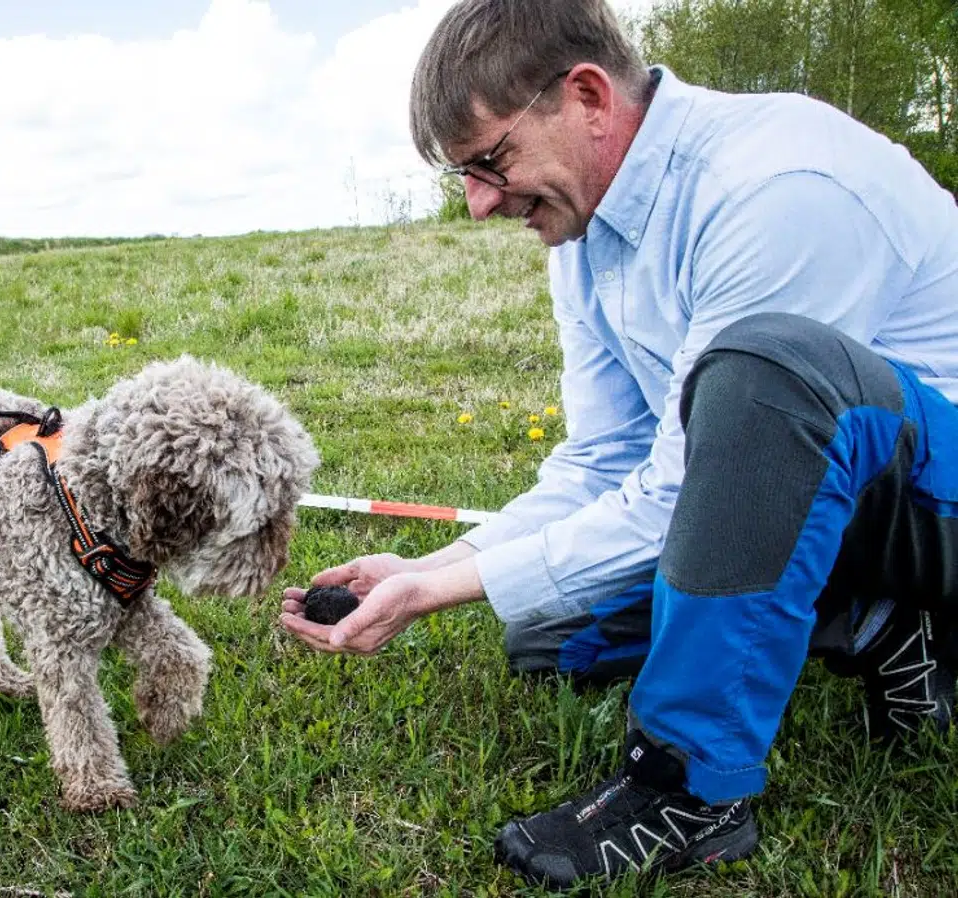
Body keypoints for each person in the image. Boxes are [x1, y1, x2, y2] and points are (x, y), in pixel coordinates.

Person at [278, 0, 958, 888]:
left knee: (764, 367)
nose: (479, 204)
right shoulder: (584, 232)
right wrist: (429, 567)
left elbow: (688, 485)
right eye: (463, 176)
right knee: (550, 634)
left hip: (935, 505)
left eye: (490, 162)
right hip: (809, 499)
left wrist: (438, 591)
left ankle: (690, 790)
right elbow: (603, 460)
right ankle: (874, 624)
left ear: (589, 97)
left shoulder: (778, 188)